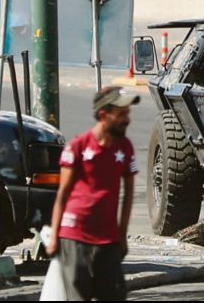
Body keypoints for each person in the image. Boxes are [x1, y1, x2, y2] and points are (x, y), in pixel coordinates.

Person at [46, 86, 140, 301]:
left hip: (107, 239)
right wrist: (54, 237)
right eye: (121, 114)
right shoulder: (78, 146)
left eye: (128, 114)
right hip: (74, 236)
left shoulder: (125, 148)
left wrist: (122, 235)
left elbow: (129, 193)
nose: (127, 119)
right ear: (103, 115)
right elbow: (63, 193)